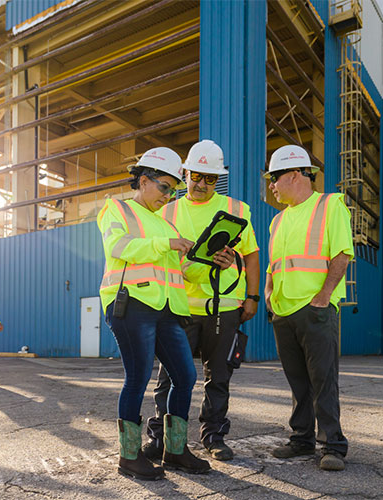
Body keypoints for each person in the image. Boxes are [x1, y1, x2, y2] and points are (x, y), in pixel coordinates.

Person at [97, 147, 211, 481]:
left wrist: (211, 262)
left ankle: (174, 450)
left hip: (167, 310)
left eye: (173, 190)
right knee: (138, 377)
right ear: (143, 180)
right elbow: (118, 247)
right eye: (164, 187)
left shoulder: (163, 224)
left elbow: (183, 271)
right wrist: (167, 245)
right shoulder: (117, 209)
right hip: (131, 305)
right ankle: (129, 456)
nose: (168, 195)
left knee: (186, 376)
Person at [145, 140, 260, 461]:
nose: (202, 184)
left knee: (219, 377)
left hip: (224, 308)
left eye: (210, 178)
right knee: (168, 377)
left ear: (218, 179)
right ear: (186, 173)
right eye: (197, 176)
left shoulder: (237, 210)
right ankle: (161, 436)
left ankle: (213, 435)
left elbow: (251, 256)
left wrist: (251, 297)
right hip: (179, 307)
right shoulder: (167, 210)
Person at [263, 144, 354, 471]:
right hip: (284, 313)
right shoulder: (277, 221)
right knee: (298, 381)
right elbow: (275, 264)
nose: (271, 186)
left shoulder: (330, 206)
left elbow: (341, 254)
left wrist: (324, 296)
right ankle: (301, 439)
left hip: (316, 309)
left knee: (323, 379)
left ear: (293, 174)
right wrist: (270, 294)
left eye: (274, 178)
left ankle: (332, 446)